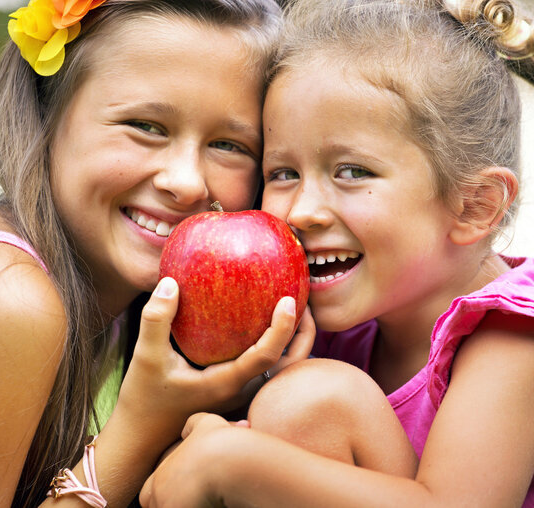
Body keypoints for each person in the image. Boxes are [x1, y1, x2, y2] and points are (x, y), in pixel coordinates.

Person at [139, 0, 534, 506]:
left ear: (474, 206)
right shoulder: (333, 326)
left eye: (351, 171)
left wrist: (229, 460)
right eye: (283, 174)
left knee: (312, 399)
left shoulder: (508, 333)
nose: (302, 211)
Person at [0, 1, 316, 506]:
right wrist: (142, 424)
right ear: (47, 116)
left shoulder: (126, 313)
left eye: (229, 145)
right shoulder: (3, 296)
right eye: (146, 126)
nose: (184, 182)